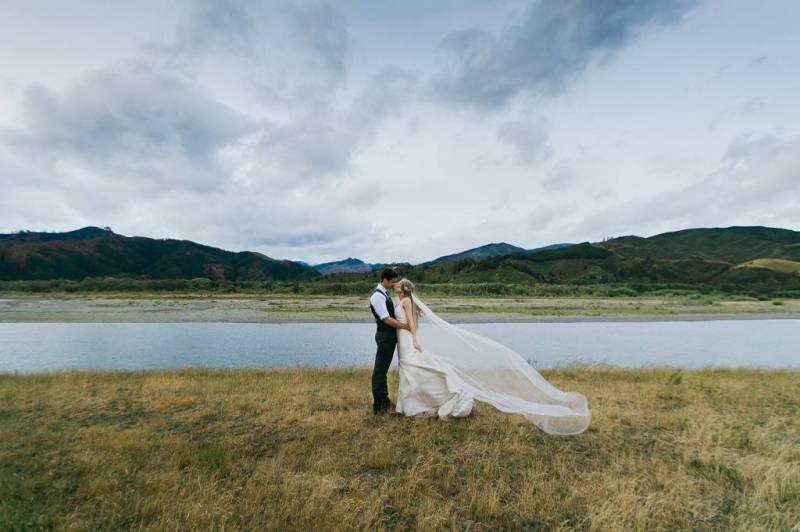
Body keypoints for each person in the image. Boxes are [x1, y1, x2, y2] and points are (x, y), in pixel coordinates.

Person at [391, 278, 591, 435]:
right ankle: (411, 403)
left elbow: (411, 324)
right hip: (403, 338)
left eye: (397, 286)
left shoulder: (406, 301)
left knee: (412, 366)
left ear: (403, 289)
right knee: (410, 368)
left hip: (407, 338)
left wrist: (413, 339)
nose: (395, 288)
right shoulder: (403, 300)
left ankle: (423, 400)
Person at [368, 267, 409, 414]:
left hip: (389, 337)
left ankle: (384, 401)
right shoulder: (377, 296)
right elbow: (386, 319)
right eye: (392, 281)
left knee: (382, 370)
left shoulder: (383, 294)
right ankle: (380, 405)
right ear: (384, 280)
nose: (393, 284)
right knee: (380, 371)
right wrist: (405, 326)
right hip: (385, 337)